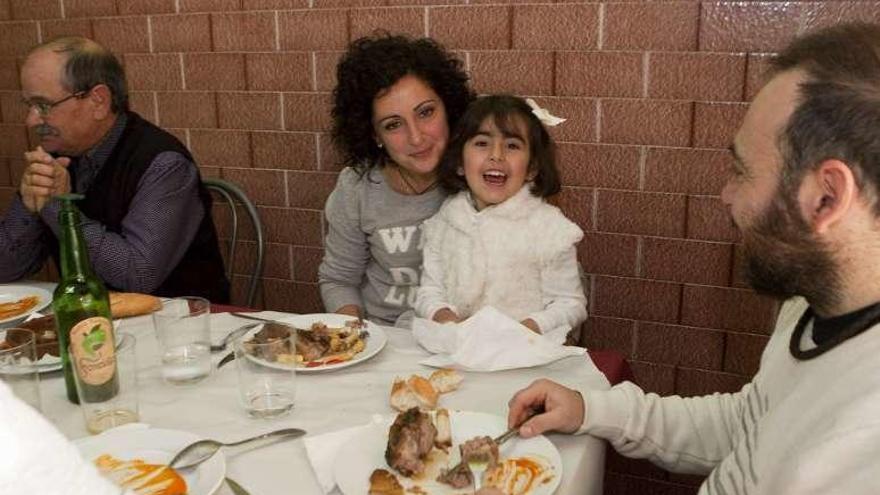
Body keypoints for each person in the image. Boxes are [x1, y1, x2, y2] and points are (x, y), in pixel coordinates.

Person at [506, 23, 880, 493]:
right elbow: (748, 423)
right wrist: (590, 409)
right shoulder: (815, 301)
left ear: (827, 197)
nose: (726, 195)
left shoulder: (868, 443)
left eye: (741, 172)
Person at [0, 37, 229, 303]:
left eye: (44, 106)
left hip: (178, 327)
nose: (31, 121)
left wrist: (58, 206)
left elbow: (137, 276)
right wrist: (31, 208)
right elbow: (5, 270)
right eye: (28, 105)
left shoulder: (163, 164)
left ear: (98, 101)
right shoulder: (55, 156)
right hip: (90, 322)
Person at [318, 33, 474, 327]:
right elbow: (338, 280)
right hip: (385, 338)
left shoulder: (480, 174)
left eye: (426, 112)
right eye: (393, 125)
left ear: (448, 107)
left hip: (462, 338)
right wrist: (355, 338)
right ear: (374, 135)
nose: (416, 137)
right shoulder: (356, 186)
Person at [414, 95, 587, 344]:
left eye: (512, 146)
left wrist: (522, 331)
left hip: (526, 354)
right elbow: (429, 292)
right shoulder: (443, 223)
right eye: (482, 143)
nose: (496, 155)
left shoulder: (550, 229)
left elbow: (571, 304)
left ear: (532, 169)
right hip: (457, 349)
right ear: (460, 164)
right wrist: (448, 321)